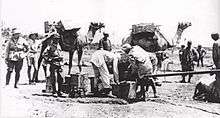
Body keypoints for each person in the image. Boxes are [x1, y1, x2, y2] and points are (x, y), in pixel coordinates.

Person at [211, 33, 220, 100]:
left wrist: (216, 64)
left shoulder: (216, 43)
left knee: (218, 80)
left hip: (219, 64)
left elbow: (215, 56)